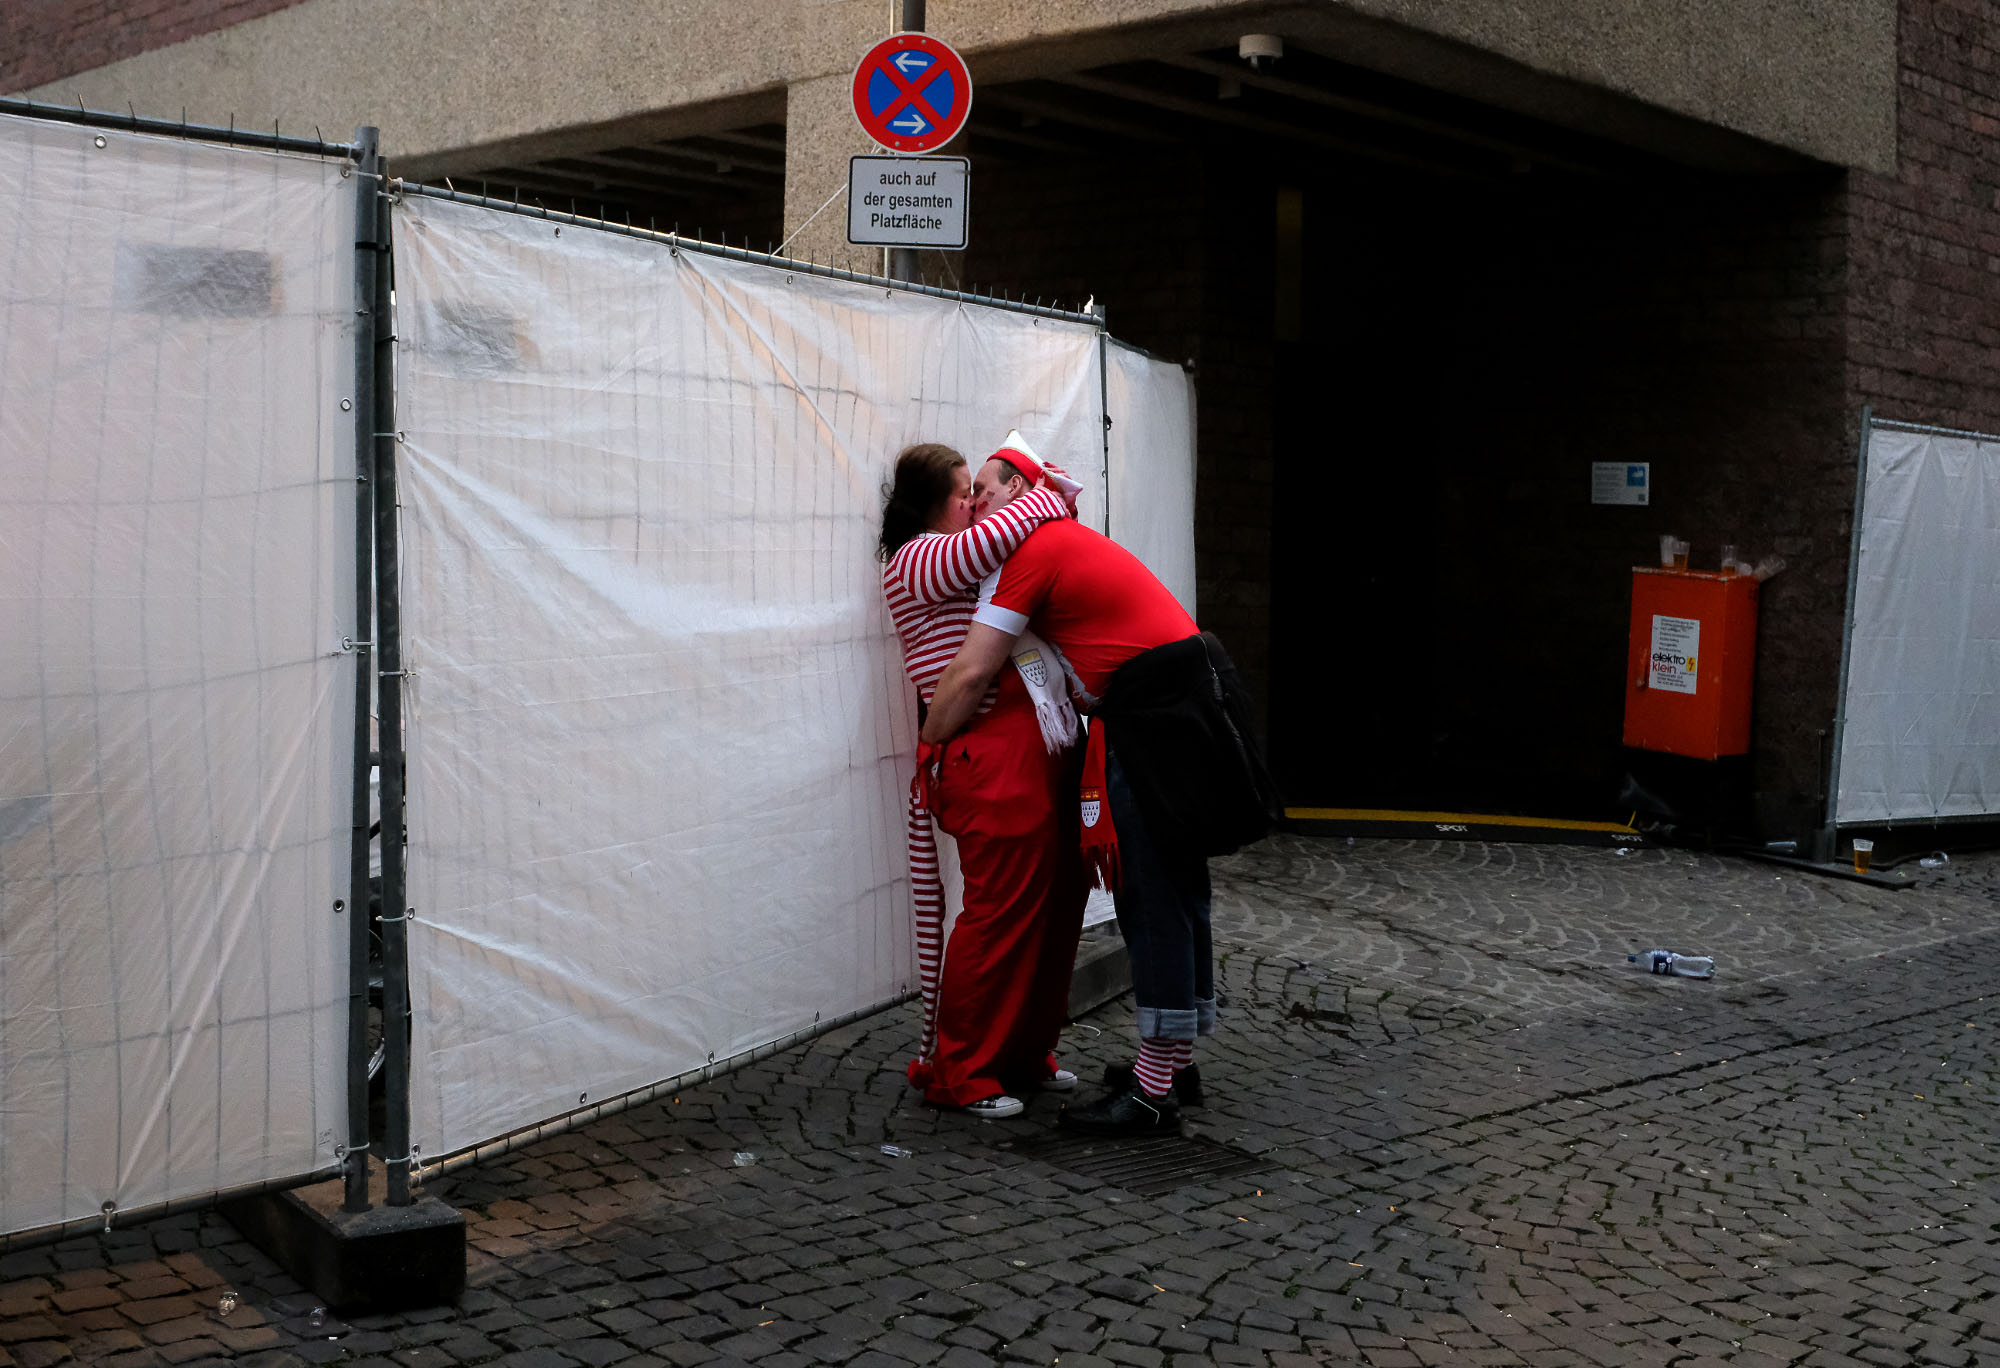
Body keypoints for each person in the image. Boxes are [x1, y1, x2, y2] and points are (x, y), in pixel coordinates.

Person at [921, 456, 1280, 1137]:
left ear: (1020, 490)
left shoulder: (1034, 546)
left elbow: (971, 672)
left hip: (1156, 711)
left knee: (1153, 892)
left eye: (985, 491)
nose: (974, 505)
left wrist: (931, 747)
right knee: (1175, 887)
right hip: (1181, 695)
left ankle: (1150, 1094)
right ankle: (1171, 1066)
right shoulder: (1061, 537)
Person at [879, 438, 1088, 1118]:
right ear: (931, 502)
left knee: (1050, 910)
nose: (974, 503)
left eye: (978, 489)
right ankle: (962, 1069)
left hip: (1023, 741)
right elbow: (997, 534)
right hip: (981, 749)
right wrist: (1044, 495)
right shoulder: (916, 560)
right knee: (1001, 912)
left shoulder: (964, 557)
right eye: (963, 491)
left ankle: (1022, 1051)